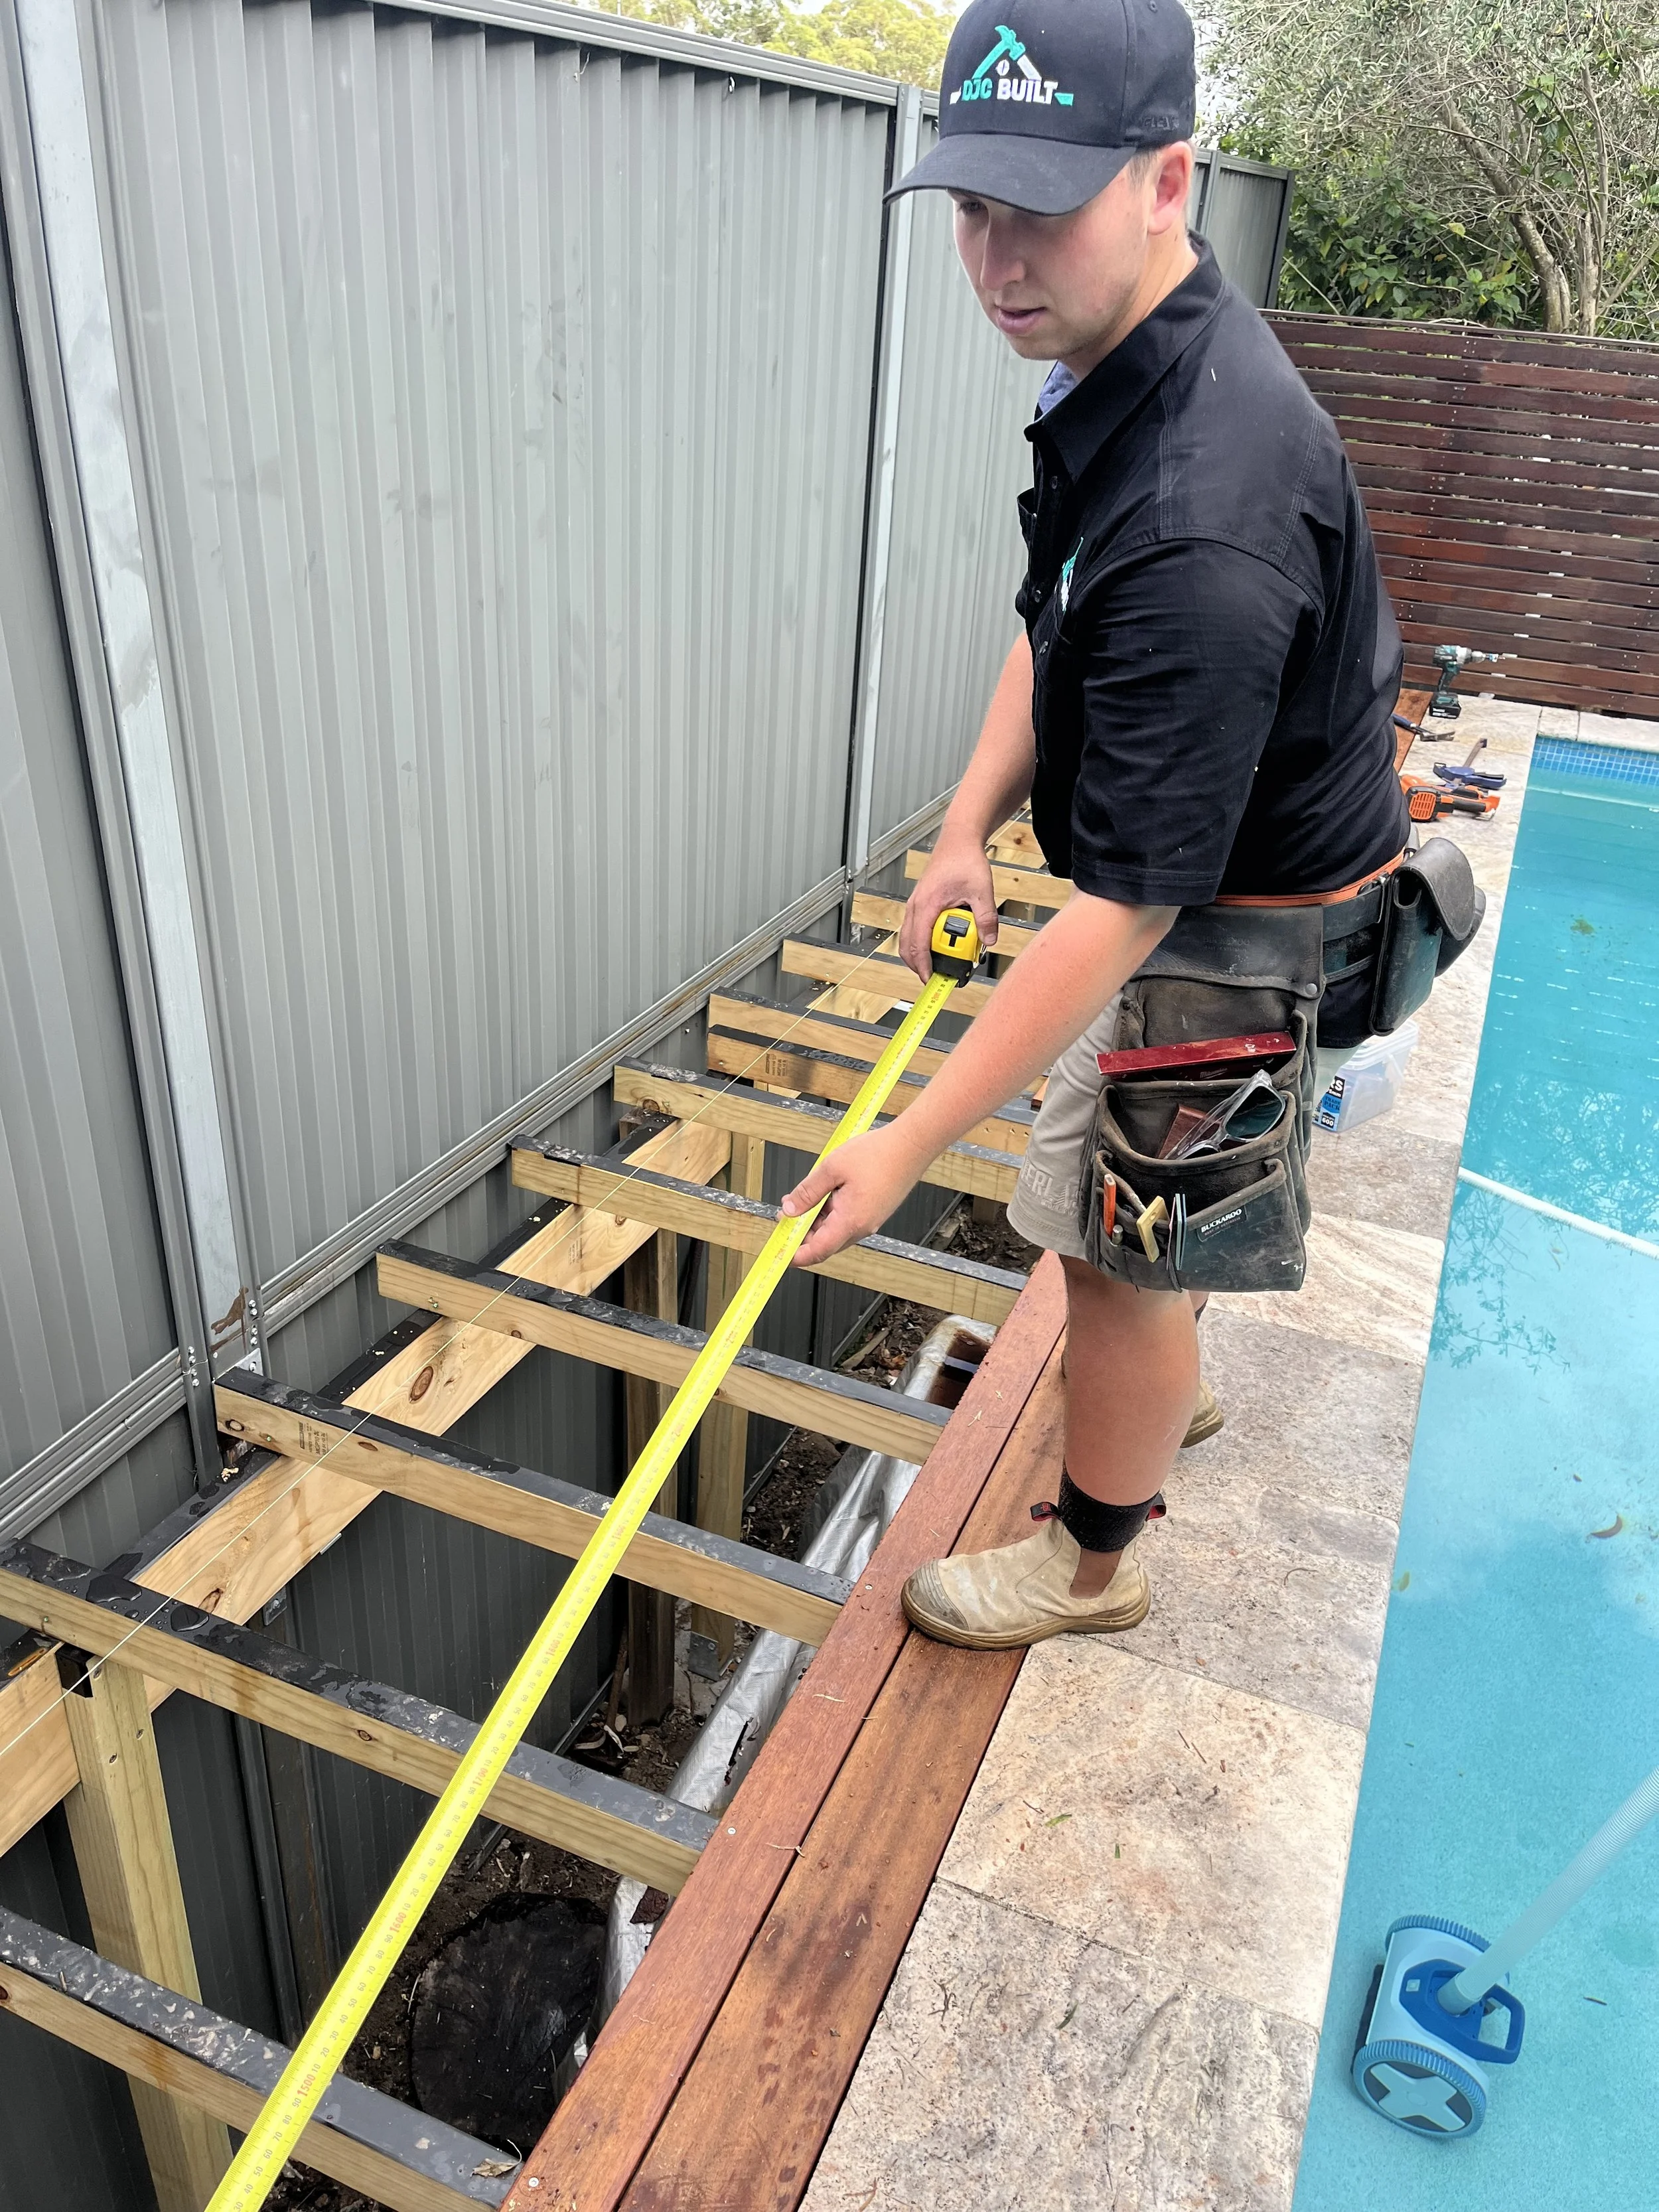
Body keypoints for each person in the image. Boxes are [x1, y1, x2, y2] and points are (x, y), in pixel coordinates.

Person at [780, 0, 1413, 1649]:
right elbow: (1051, 622)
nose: (995, 256)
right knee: (1134, 1230)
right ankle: (1161, 1376)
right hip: (1201, 875)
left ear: (1164, 180)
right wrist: (959, 831)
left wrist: (902, 1142)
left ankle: (1090, 1557)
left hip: (1243, 927)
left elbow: (1128, 911)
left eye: (1038, 208)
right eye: (972, 207)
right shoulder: (1118, 365)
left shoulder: (1206, 507)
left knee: (1108, 1245)